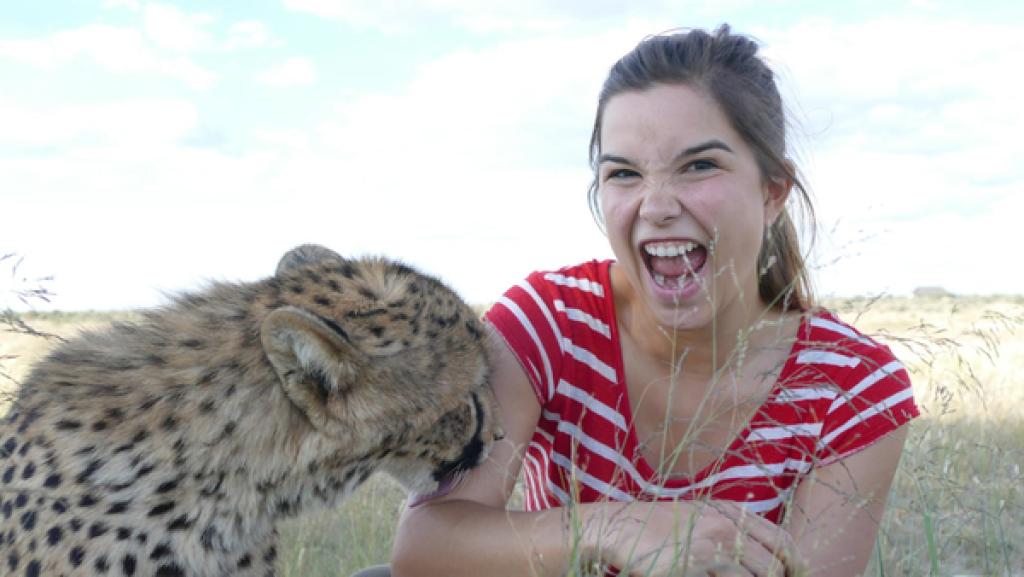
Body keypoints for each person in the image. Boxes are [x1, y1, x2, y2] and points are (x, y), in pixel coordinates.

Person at [375, 24, 918, 577]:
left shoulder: (853, 386)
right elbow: (425, 544)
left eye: (699, 165)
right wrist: (615, 527)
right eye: (624, 174)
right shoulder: (548, 324)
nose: (656, 205)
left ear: (772, 191)